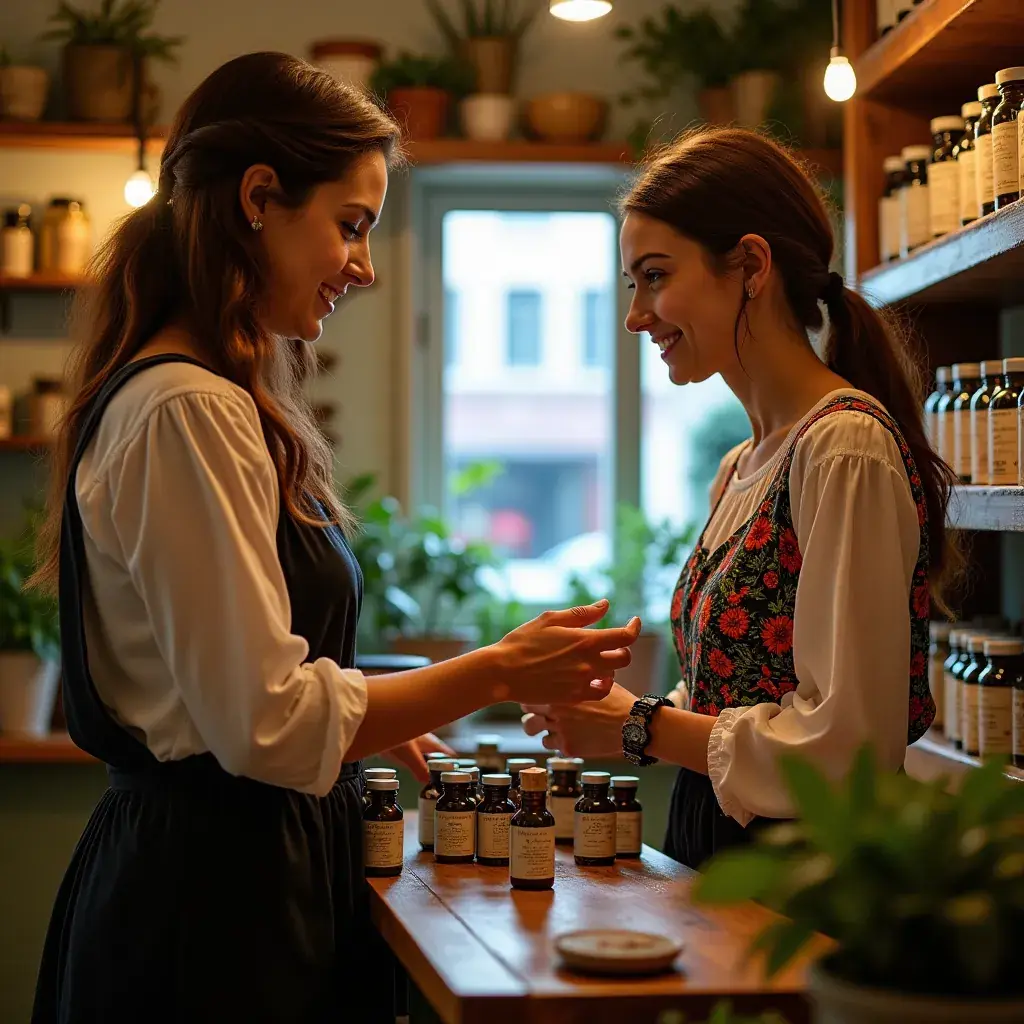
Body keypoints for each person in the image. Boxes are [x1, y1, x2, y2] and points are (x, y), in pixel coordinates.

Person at [28, 52, 640, 1024]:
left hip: (233, 879)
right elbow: (264, 721)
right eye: (350, 225)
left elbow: (247, 684)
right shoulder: (188, 410)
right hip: (211, 912)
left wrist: (389, 715)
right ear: (259, 199)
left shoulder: (198, 400)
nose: (365, 264)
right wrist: (498, 668)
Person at [522, 127, 957, 870]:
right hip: (717, 844)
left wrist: (638, 724)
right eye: (634, 283)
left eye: (654, 276)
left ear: (751, 265)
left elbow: (847, 751)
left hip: (804, 872)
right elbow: (736, 703)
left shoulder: (843, 448)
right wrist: (605, 709)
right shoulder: (742, 464)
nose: (636, 314)